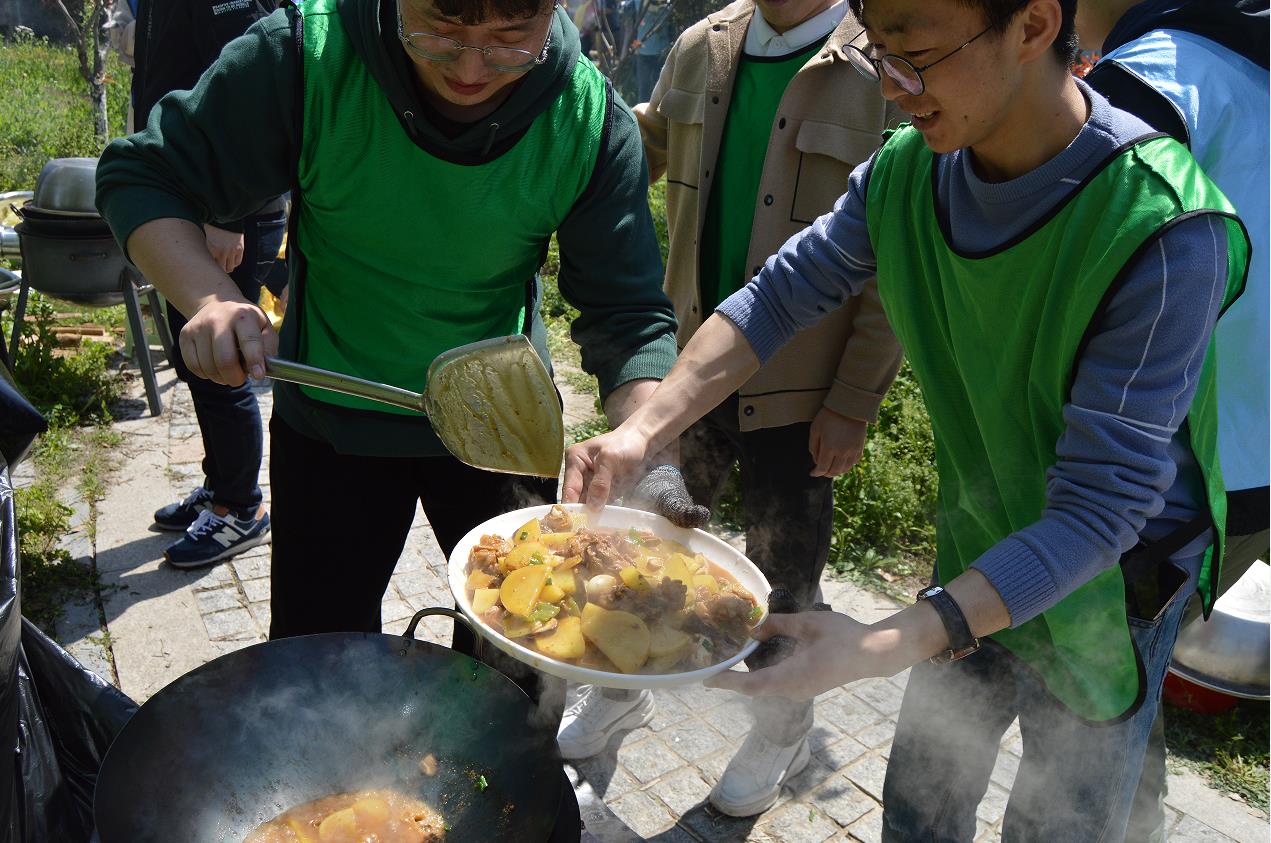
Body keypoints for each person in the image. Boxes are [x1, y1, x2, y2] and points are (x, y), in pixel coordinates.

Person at [562, 0, 1250, 837]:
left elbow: (1100, 511)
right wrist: (641, 430)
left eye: (914, 54)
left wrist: (878, 642)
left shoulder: (1166, 228)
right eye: (878, 54)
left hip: (1112, 582)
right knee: (923, 802)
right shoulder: (909, 170)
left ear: (1032, 25)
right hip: (980, 534)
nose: (893, 86)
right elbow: (778, 296)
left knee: (1062, 819)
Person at [96, 0, 701, 709]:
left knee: (517, 661)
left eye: (510, 38)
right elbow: (143, 175)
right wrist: (206, 296)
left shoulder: (585, 117)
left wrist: (647, 444)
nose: (470, 69)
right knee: (316, 664)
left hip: (502, 431)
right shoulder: (305, 57)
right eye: (438, 32)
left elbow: (626, 316)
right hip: (332, 418)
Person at [556, 0, 904, 819]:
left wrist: (854, 399)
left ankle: (779, 725)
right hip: (690, 366)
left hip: (800, 389)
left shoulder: (879, 68)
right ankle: (623, 681)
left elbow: (893, 257)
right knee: (653, 540)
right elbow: (631, 144)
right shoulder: (698, 47)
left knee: (782, 581)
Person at [1072, 2, 1269, 839]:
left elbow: (1077, 264)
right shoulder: (1249, 69)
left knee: (1086, 712)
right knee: (1131, 693)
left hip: (1156, 471)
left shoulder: (1160, 75)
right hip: (1248, 479)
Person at [128, 0, 290, 568]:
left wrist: (228, 214)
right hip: (191, 206)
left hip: (223, 213)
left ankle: (240, 508)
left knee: (225, 361)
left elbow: (254, 83)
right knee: (196, 358)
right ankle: (220, 485)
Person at [624, 0, 671, 102]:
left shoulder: (668, 3)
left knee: (659, 87)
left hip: (661, 51)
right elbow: (629, 23)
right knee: (644, 88)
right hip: (643, 51)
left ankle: (657, 115)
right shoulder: (636, 3)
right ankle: (642, 116)